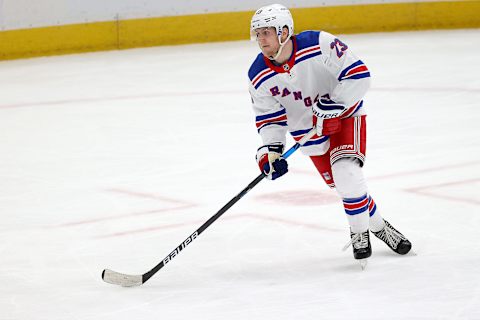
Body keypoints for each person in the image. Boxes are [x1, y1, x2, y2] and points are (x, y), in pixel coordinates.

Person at [248, 3, 411, 264]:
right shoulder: (258, 74)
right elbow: (270, 119)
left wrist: (336, 103)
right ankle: (380, 226)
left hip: (346, 116)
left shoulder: (319, 43)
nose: (261, 39)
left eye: (267, 31)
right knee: (346, 188)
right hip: (308, 135)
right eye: (258, 33)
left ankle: (360, 233)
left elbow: (359, 74)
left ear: (285, 31)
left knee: (347, 172)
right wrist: (271, 151)